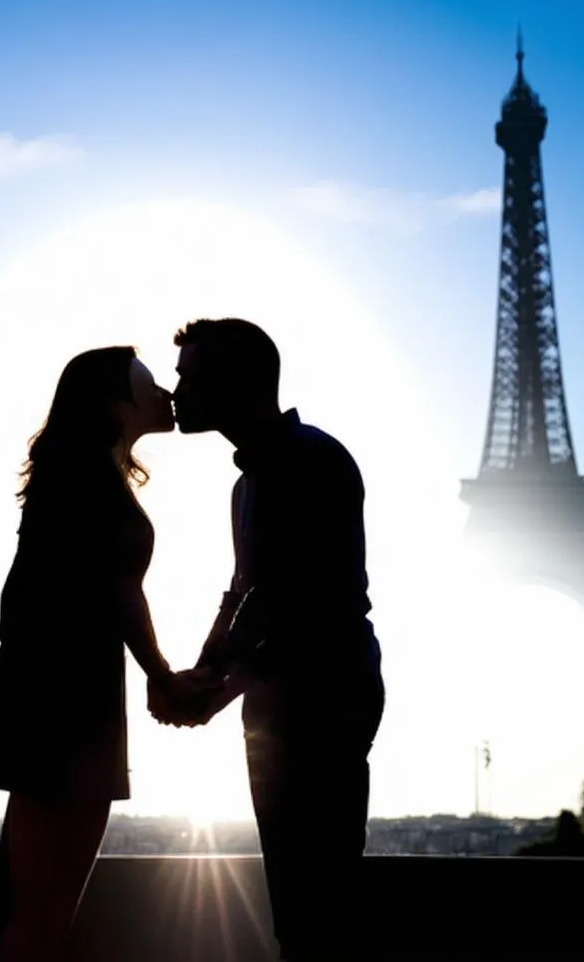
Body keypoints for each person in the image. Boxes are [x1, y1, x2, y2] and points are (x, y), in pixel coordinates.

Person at [0, 345, 217, 962]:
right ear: (116, 403)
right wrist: (163, 675)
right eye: (150, 385)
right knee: (44, 913)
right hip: (65, 699)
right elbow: (118, 590)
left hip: (64, 692)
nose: (167, 395)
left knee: (40, 910)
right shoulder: (88, 480)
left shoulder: (83, 474)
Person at [152, 318, 385, 962]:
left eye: (191, 376)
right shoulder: (258, 477)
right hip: (294, 695)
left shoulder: (307, 463)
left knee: (313, 898)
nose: (177, 392)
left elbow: (300, 609)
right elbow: (247, 594)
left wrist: (209, 690)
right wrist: (206, 675)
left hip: (319, 696)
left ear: (237, 383)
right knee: (300, 896)